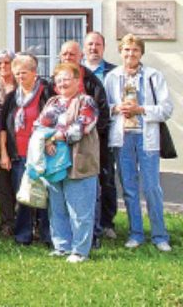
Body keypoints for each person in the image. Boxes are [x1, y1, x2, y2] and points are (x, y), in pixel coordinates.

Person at [104, 34, 172, 252]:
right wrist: (117, 108)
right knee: (130, 188)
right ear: (120, 52)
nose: (130, 54)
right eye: (126, 50)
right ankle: (136, 234)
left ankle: (160, 235)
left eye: (134, 50)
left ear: (141, 53)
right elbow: (103, 106)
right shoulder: (112, 77)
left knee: (152, 187)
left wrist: (141, 109)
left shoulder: (154, 76)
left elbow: (166, 109)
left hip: (146, 137)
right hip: (123, 138)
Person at [38, 62, 100, 263]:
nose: (62, 83)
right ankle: (62, 246)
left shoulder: (86, 102)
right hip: (54, 164)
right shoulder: (52, 102)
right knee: (57, 208)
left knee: (80, 210)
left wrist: (53, 137)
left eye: (67, 79)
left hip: (79, 162)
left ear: (77, 81)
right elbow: (39, 126)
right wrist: (45, 138)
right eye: (59, 80)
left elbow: (81, 128)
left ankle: (80, 250)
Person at [57, 40, 110, 248]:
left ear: (80, 56)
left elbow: (97, 117)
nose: (68, 57)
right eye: (65, 54)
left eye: (72, 54)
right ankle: (63, 243)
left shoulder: (91, 83)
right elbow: (43, 123)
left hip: (84, 150)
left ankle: (90, 238)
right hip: (59, 153)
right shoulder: (55, 93)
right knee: (61, 200)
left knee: (86, 198)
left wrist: (90, 140)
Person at [0, 53, 53, 245]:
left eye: (24, 73)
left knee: (45, 195)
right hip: (18, 154)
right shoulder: (12, 97)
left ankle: (47, 235)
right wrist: (4, 153)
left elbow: (54, 122)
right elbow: (3, 127)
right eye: (17, 73)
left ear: (34, 73)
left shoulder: (46, 93)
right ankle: (23, 235)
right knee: (23, 195)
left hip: (42, 154)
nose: (20, 77)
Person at [82, 31, 118, 241]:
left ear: (103, 48)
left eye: (97, 45)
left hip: (104, 134)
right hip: (81, 135)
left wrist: (100, 127)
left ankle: (106, 223)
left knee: (106, 178)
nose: (93, 48)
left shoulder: (113, 72)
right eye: (90, 45)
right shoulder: (78, 72)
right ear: (84, 48)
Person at [0, 49, 17, 237]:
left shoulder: (21, 84)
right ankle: (7, 222)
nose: (3, 67)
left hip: (18, 139)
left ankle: (25, 221)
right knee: (3, 184)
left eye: (6, 63)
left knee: (22, 181)